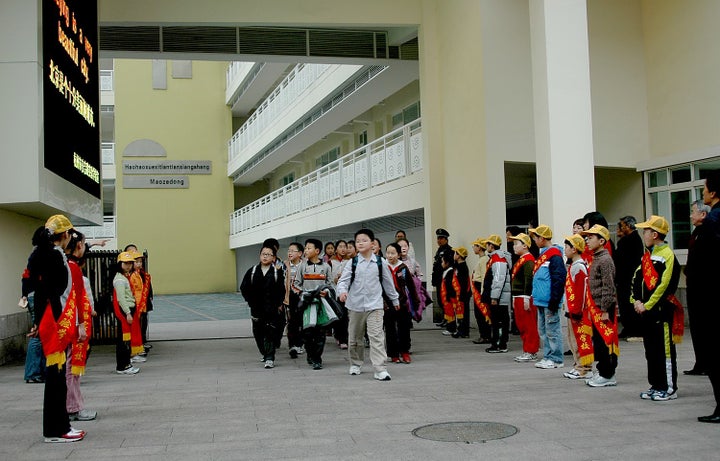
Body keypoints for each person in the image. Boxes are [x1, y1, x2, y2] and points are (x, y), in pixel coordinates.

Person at [35, 215, 86, 442]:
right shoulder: (54, 257)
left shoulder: (51, 256)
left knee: (56, 380)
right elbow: (52, 294)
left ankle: (59, 427)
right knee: (56, 380)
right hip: (56, 324)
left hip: (53, 322)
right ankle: (56, 430)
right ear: (65, 235)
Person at [337, 228, 400, 381]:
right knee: (354, 338)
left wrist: (395, 299)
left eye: (364, 240)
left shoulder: (380, 262)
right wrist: (342, 292)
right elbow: (343, 281)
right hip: (355, 305)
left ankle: (380, 369)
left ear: (372, 244)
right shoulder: (352, 262)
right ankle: (356, 363)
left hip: (375, 305)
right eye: (358, 241)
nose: (360, 243)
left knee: (377, 336)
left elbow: (388, 283)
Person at [631, 215, 682, 401]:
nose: (643, 234)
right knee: (650, 351)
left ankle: (668, 388)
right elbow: (636, 280)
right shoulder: (648, 256)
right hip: (646, 313)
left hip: (661, 312)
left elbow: (664, 285)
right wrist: (635, 300)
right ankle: (655, 384)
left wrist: (648, 305)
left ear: (654, 234)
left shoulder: (667, 256)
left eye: (645, 231)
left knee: (664, 351)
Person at [581, 225, 619, 387]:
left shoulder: (605, 260)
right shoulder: (596, 257)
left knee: (606, 342)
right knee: (599, 341)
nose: (587, 241)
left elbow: (608, 287)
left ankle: (608, 374)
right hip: (595, 307)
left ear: (602, 240)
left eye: (591, 237)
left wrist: (604, 310)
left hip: (603, 309)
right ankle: (602, 370)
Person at [65, 230, 97, 422]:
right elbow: (74, 300)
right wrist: (80, 325)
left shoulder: (64, 265)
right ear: (78, 246)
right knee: (72, 367)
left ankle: (72, 406)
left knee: (70, 367)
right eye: (84, 244)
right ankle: (73, 407)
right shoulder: (72, 268)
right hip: (73, 324)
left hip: (68, 323)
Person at [697, 170, 720, 423]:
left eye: (704, 188)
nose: (702, 192)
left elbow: (707, 264)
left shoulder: (713, 220)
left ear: (713, 193)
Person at [240, 245, 286, 369]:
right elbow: (244, 288)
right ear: (260, 255)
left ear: (274, 257)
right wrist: (250, 301)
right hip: (256, 308)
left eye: (268, 254)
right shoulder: (252, 271)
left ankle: (270, 357)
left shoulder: (277, 272)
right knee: (258, 333)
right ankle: (264, 352)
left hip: (271, 309)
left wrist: (278, 304)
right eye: (263, 254)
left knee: (270, 332)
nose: (265, 256)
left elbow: (282, 290)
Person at [293, 239, 334, 370]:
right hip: (307, 305)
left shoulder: (326, 267)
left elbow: (331, 284)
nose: (306, 251)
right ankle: (310, 354)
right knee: (308, 332)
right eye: (305, 248)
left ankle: (317, 358)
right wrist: (302, 294)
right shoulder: (302, 266)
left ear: (317, 251)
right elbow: (296, 284)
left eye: (309, 248)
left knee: (320, 332)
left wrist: (326, 292)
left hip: (321, 304)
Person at [529, 225, 566, 369]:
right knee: (543, 331)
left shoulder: (554, 256)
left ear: (542, 238)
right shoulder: (544, 255)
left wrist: (554, 299)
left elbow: (558, 279)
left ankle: (556, 358)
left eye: (535, 238)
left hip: (549, 301)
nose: (534, 241)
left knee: (552, 331)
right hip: (541, 300)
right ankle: (547, 356)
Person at [683, 200, 711, 376]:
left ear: (703, 214)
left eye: (693, 211)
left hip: (704, 289)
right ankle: (700, 362)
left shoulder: (709, 233)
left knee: (705, 327)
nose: (691, 215)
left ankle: (708, 363)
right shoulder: (696, 232)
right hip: (693, 286)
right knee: (696, 327)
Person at [562, 234, 593, 380]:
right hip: (571, 311)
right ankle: (577, 365)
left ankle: (584, 368)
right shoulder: (573, 266)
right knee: (573, 340)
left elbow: (581, 292)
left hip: (577, 312)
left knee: (581, 340)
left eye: (567, 247)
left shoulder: (579, 267)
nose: (565, 250)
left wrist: (576, 311)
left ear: (574, 249)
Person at [21, 226, 48, 384]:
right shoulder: (41, 254)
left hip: (33, 295)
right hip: (37, 296)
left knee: (39, 333)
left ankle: (36, 371)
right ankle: (33, 372)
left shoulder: (36, 253)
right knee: (38, 333)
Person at [384, 242, 420, 363]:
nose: (390, 255)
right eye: (388, 253)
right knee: (390, 329)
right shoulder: (383, 267)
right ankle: (393, 354)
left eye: (393, 253)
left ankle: (404, 352)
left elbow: (411, 286)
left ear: (399, 254)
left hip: (402, 303)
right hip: (387, 304)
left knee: (404, 328)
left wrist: (415, 301)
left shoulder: (403, 268)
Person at [508, 233, 538, 362]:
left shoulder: (529, 260)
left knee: (528, 325)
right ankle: (526, 349)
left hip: (524, 296)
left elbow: (529, 280)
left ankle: (531, 351)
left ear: (525, 245)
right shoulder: (521, 259)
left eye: (516, 244)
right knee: (521, 325)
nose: (514, 246)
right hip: (518, 296)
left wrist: (526, 297)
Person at [614, 216, 645, 340]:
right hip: (626, 278)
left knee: (628, 304)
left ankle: (633, 329)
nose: (620, 229)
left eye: (621, 226)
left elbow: (621, 260)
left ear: (628, 226)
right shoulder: (631, 239)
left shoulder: (630, 240)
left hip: (628, 278)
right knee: (625, 304)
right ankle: (628, 328)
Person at [482, 235, 512, 353]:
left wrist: (494, 297)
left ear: (492, 245)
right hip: (500, 296)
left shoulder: (498, 259)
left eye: (487, 244)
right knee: (498, 320)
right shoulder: (495, 258)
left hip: (499, 297)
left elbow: (498, 279)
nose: (486, 247)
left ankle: (499, 344)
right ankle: (499, 343)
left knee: (498, 321)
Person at [113, 252, 141, 376]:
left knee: (126, 341)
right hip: (125, 312)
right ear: (120, 264)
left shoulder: (124, 277)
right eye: (125, 263)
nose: (128, 266)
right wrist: (128, 313)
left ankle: (126, 364)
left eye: (130, 263)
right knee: (123, 341)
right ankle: (123, 366)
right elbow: (121, 299)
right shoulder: (120, 279)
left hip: (128, 310)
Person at [284, 242, 305, 358]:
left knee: (302, 321)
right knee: (292, 322)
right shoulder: (284, 265)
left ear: (300, 253)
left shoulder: (305, 265)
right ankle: (293, 345)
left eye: (292, 251)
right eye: (288, 251)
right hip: (289, 297)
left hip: (302, 296)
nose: (290, 253)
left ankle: (300, 343)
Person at [470, 238, 491, 345]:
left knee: (481, 313)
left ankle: (485, 335)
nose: (473, 248)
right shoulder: (481, 259)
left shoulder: (484, 260)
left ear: (479, 247)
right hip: (477, 287)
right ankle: (483, 334)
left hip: (480, 288)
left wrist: (483, 292)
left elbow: (484, 276)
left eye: (475, 245)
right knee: (478, 314)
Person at [132, 252, 154, 354]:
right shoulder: (132, 275)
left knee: (142, 324)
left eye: (140, 262)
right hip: (136, 304)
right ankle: (136, 348)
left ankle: (141, 344)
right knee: (136, 326)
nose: (139, 264)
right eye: (137, 262)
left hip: (143, 304)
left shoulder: (142, 274)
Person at [431, 228, 452, 326]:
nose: (439, 240)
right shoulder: (439, 250)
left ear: (446, 239)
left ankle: (448, 319)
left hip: (445, 280)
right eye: (438, 238)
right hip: (439, 280)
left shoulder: (448, 250)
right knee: (440, 300)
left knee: (445, 300)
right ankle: (445, 318)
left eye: (441, 238)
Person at [452, 247, 471, 338]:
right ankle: (460, 329)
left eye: (456, 253)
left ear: (459, 256)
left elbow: (463, 283)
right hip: (458, 293)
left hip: (462, 294)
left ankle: (464, 331)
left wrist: (462, 294)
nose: (454, 255)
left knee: (464, 313)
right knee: (459, 312)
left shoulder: (463, 267)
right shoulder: (457, 265)